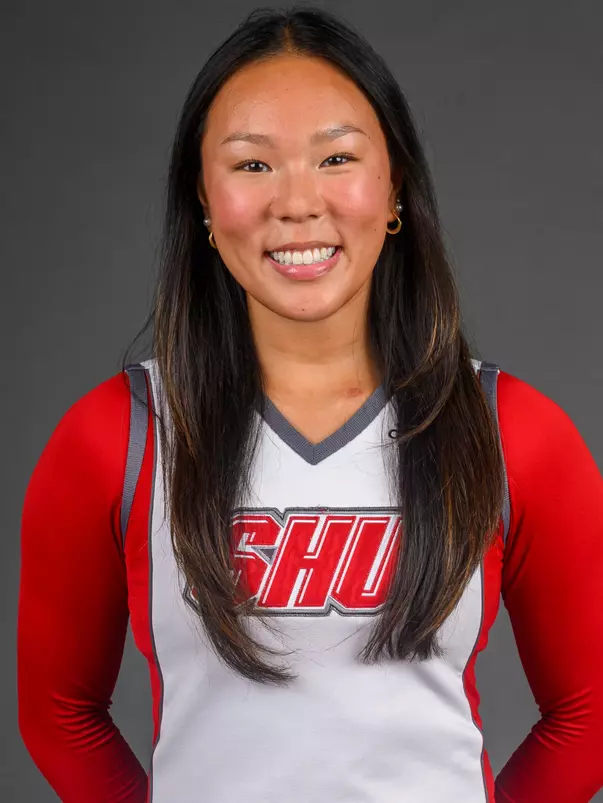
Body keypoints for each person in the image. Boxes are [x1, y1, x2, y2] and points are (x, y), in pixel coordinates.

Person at [17, 6, 603, 803]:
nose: (297, 203)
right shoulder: (114, 436)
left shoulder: (514, 434)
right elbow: (59, 712)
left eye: (336, 158)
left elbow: (587, 710)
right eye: (252, 165)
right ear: (202, 198)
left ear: (393, 185)